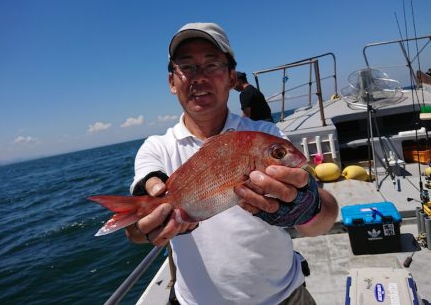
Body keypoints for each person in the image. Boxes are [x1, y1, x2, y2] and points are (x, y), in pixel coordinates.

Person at [125, 22, 338, 305]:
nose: (199, 77)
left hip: (285, 298)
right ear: (171, 82)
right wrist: (147, 223)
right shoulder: (156, 149)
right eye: (187, 67)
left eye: (212, 64)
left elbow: (322, 224)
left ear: (230, 77)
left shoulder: (268, 136)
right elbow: (134, 231)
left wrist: (307, 207)